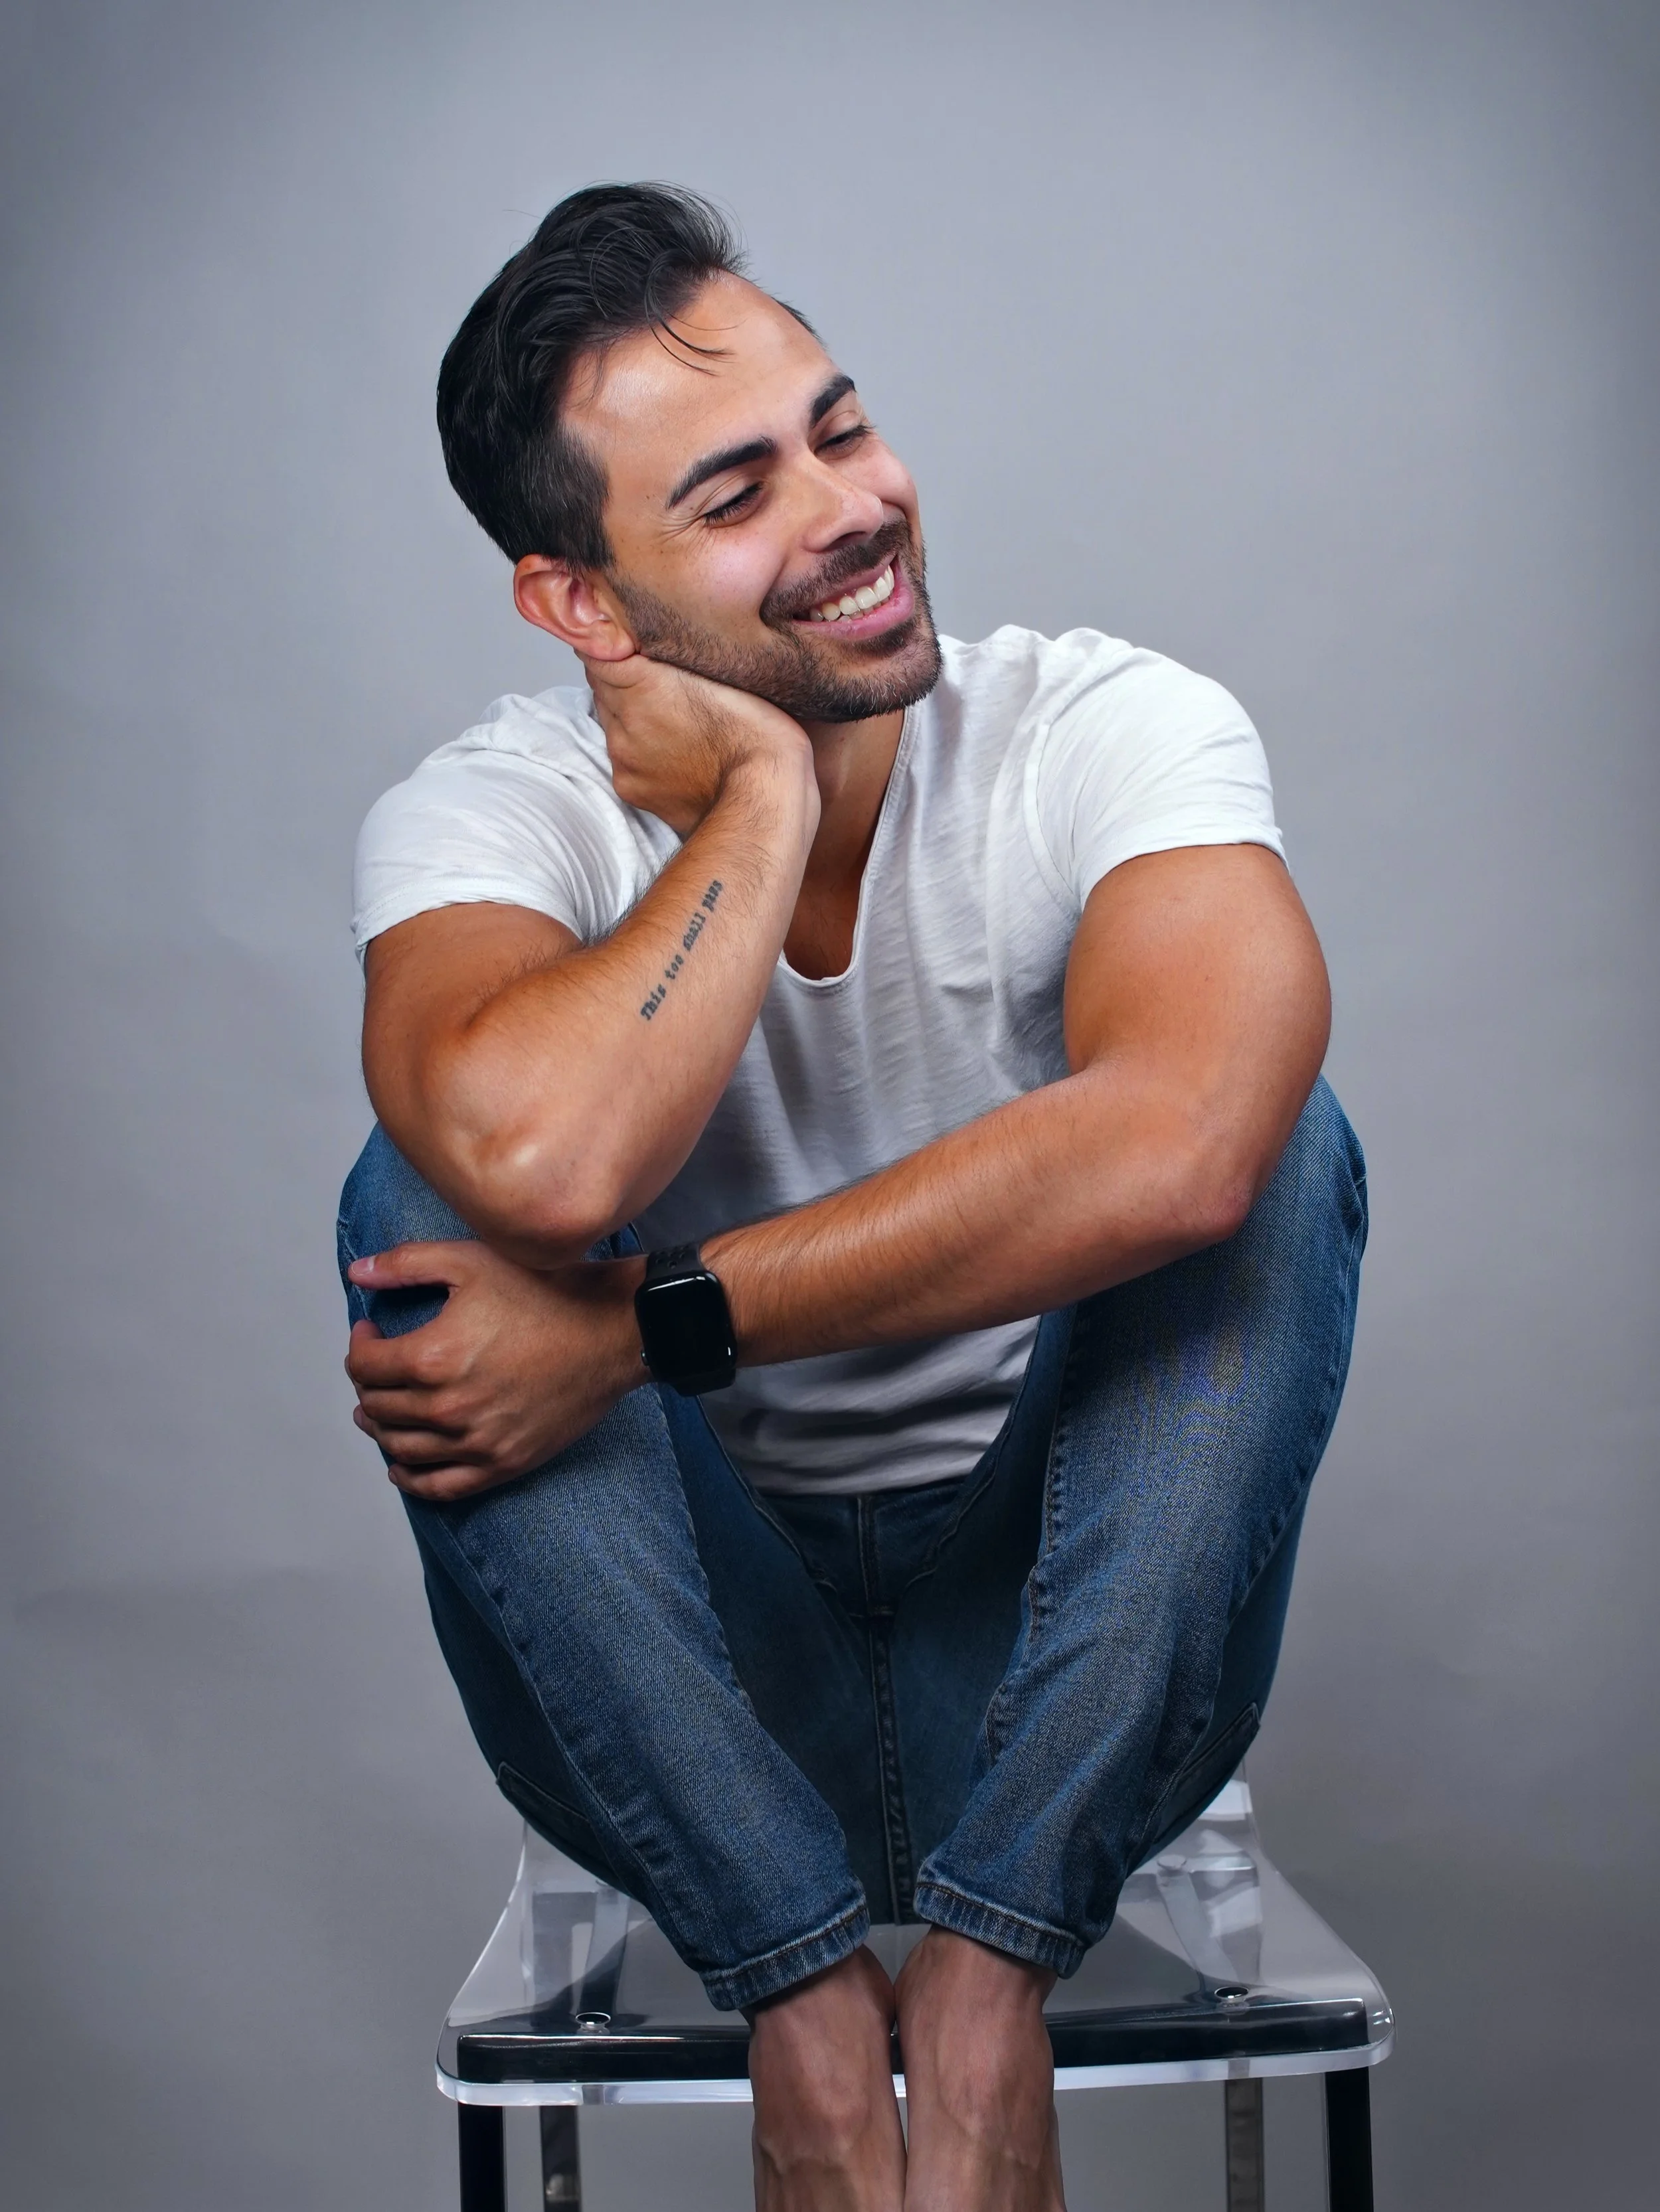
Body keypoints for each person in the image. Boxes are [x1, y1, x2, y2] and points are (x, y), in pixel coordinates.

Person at [337, 182, 1367, 2212]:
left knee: (1277, 1142)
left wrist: (640, 1326)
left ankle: (986, 1981)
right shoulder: (491, 814)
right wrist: (763, 790)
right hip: (698, 1697)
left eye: (841, 427)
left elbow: (1187, 1142)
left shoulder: (1105, 726)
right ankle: (800, 2002)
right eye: (737, 494)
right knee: (425, 1184)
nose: (852, 507)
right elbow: (544, 1160)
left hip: (1060, 1673)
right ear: (581, 604)